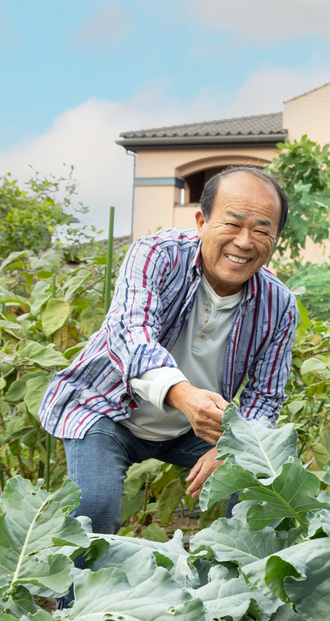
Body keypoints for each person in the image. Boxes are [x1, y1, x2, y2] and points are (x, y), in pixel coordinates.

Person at [40, 166, 297, 538]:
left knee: (263, 483)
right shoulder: (157, 255)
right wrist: (184, 396)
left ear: (275, 239)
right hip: (106, 409)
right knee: (93, 509)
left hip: (193, 429)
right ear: (201, 221)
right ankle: (82, 598)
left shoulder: (279, 304)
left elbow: (265, 398)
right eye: (233, 224)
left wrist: (233, 448)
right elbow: (132, 333)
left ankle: (237, 589)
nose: (245, 241)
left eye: (261, 230)